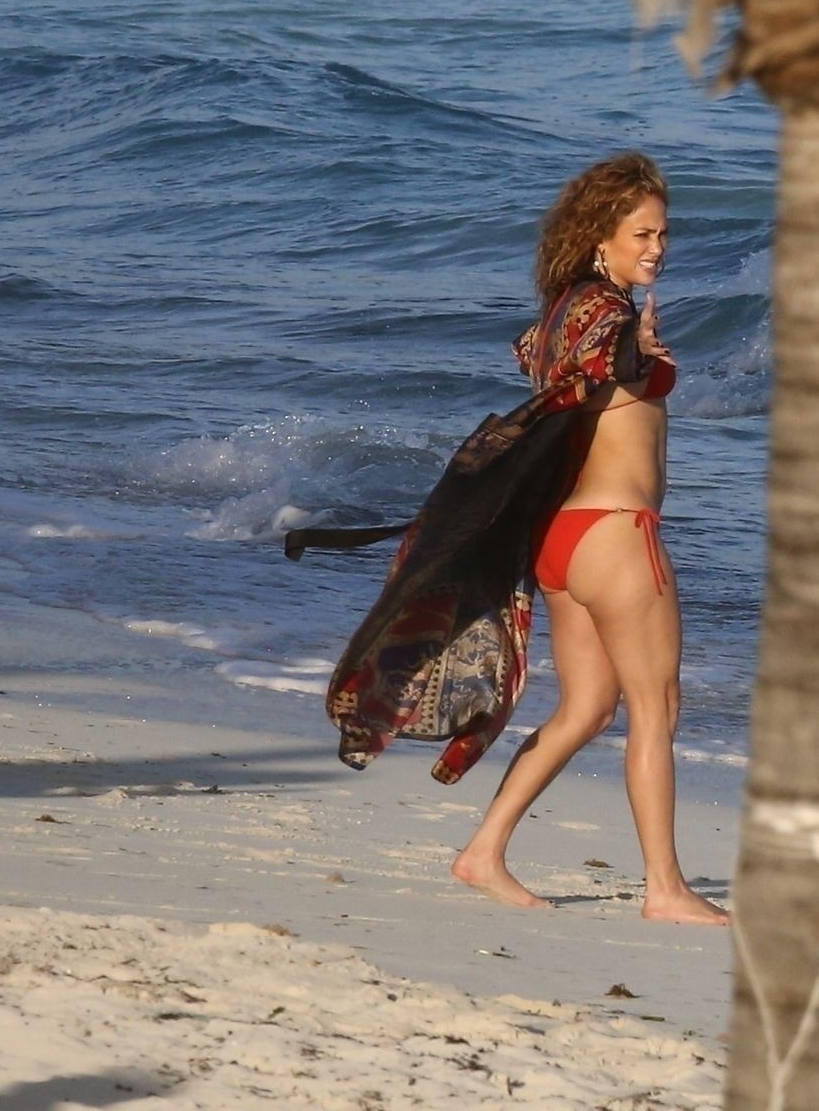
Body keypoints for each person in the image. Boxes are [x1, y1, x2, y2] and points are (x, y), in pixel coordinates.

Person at [284, 151, 728, 925]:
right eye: (642, 234)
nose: (658, 247)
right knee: (656, 708)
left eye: (663, 233)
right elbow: (608, 354)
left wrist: (630, 350)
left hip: (564, 540)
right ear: (599, 236)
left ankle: (483, 852)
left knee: (588, 709)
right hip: (617, 535)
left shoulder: (562, 312)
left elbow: (549, 360)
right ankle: (664, 888)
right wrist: (635, 350)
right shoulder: (605, 315)